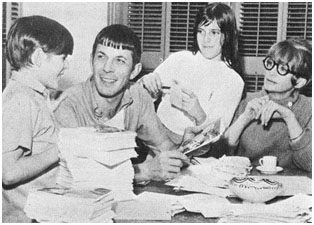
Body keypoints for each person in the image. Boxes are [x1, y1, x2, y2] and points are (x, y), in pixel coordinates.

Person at [54, 24, 200, 183]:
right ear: (91, 60)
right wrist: (143, 171)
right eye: (101, 57)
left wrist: (187, 146)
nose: (107, 68)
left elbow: (164, 146)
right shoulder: (68, 105)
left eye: (120, 60)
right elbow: (80, 175)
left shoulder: (138, 96)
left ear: (135, 71)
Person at [2, 16, 74, 222]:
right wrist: (60, 149)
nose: (66, 66)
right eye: (62, 57)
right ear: (38, 58)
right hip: (25, 218)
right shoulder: (21, 100)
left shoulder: (34, 95)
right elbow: (8, 172)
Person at [140, 3, 244, 144]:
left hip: (193, 145)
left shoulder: (233, 81)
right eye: (201, 31)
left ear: (227, 36)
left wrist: (198, 113)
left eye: (214, 32)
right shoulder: (180, 58)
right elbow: (142, 97)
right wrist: (148, 83)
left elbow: (216, 137)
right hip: (154, 132)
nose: (206, 39)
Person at [223, 38, 312, 172]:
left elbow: (310, 164)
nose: (271, 72)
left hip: (289, 188)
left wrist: (289, 118)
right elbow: (220, 155)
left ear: (299, 82)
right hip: (247, 185)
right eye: (271, 63)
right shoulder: (249, 101)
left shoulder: (308, 108)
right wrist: (244, 119)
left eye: (282, 68)